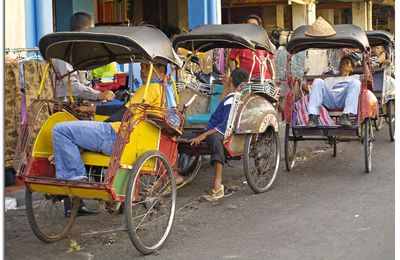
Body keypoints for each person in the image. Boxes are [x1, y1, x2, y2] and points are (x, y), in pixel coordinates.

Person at [50, 62, 184, 184]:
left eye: (147, 67)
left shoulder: (150, 88)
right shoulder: (164, 92)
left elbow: (123, 113)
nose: (143, 71)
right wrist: (92, 109)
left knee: (61, 130)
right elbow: (124, 109)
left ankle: (76, 178)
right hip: (134, 139)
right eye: (142, 67)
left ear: (161, 71)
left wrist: (103, 124)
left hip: (117, 136)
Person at [189, 68, 249, 201]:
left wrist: (203, 136)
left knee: (213, 138)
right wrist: (227, 85)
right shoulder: (230, 96)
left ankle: (217, 184)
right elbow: (222, 101)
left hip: (219, 131)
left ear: (232, 79)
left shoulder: (232, 100)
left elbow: (223, 126)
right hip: (213, 127)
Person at [52, 12, 115, 102]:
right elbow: (71, 86)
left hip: (81, 103)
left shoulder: (79, 51)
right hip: (65, 105)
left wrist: (100, 92)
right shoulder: (63, 51)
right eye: (91, 31)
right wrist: (98, 95)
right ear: (85, 30)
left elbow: (85, 81)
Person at [306, 56, 362, 127]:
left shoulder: (356, 77)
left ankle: (345, 116)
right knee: (317, 81)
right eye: (342, 63)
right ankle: (313, 117)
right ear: (339, 67)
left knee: (356, 83)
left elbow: (368, 76)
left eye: (347, 62)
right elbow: (315, 90)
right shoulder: (330, 79)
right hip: (330, 99)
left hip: (344, 99)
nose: (344, 64)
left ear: (351, 69)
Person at [228, 14, 276, 80]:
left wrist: (274, 79)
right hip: (245, 80)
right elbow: (231, 59)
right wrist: (234, 76)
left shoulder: (264, 41)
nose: (251, 27)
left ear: (259, 27)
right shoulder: (240, 41)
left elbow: (271, 61)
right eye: (249, 24)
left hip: (264, 79)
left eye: (254, 25)